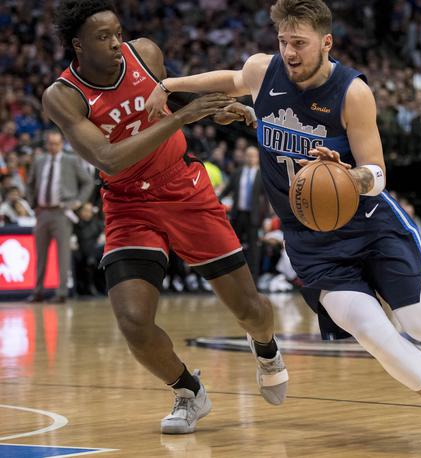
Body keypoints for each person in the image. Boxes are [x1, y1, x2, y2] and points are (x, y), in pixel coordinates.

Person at [146, 0, 421, 455]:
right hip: (310, 241)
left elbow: (378, 175)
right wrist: (169, 84)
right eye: (283, 42)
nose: (289, 52)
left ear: (326, 43)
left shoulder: (352, 92)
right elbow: (230, 80)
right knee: (371, 333)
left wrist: (347, 176)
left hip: (369, 225)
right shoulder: (263, 71)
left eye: (300, 43)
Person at [43, 0, 288, 434]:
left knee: (250, 309)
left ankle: (266, 347)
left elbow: (165, 97)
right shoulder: (63, 96)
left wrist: (212, 107)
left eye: (118, 32)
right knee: (134, 321)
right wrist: (183, 118)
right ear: (77, 46)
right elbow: (107, 157)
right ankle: (188, 390)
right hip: (127, 204)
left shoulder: (146, 54)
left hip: (183, 187)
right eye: (104, 37)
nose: (117, 43)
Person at [26, 130, 94, 303]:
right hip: (42, 212)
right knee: (40, 255)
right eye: (51, 143)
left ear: (62, 144)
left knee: (63, 254)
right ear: (46, 144)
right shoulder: (39, 161)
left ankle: (62, 292)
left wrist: (78, 202)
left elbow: (88, 181)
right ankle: (38, 291)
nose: (53, 146)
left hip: (62, 212)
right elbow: (31, 184)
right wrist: (33, 204)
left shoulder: (71, 160)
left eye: (57, 143)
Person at [220, 146, 266, 276]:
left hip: (254, 216)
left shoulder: (262, 174)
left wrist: (267, 217)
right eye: (249, 155)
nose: (251, 158)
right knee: (233, 247)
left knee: (254, 250)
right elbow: (226, 190)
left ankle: (254, 279)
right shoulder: (238, 172)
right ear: (245, 157)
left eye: (254, 156)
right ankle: (232, 276)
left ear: (257, 158)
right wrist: (215, 201)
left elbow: (267, 198)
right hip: (238, 214)